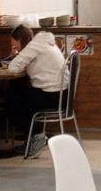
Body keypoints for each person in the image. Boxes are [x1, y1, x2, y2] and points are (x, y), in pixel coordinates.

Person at [4, 24, 67, 157]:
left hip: (52, 97)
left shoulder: (33, 46)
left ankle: (37, 136)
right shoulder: (46, 43)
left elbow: (13, 67)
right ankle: (33, 137)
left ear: (20, 40)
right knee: (18, 92)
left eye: (15, 46)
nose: (15, 48)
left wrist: (16, 55)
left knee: (11, 101)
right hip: (62, 95)